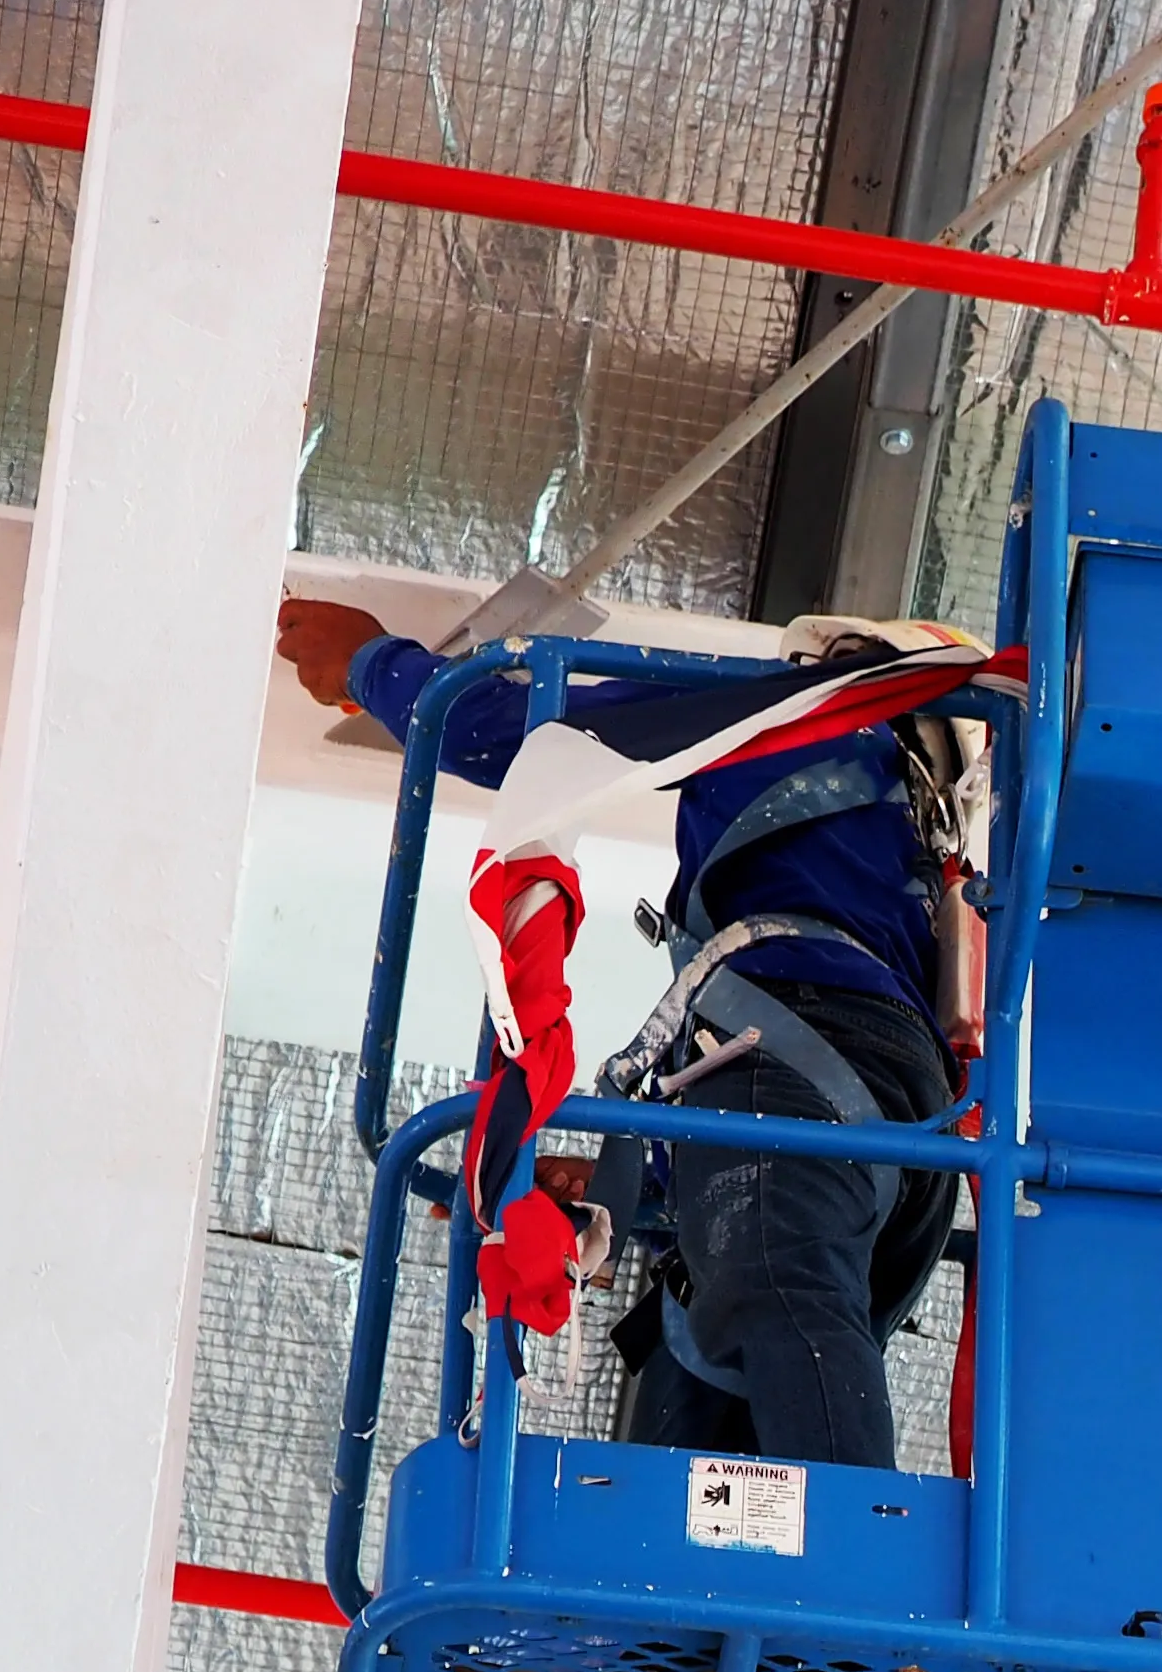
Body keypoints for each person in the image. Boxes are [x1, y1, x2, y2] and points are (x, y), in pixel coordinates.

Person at [278, 598, 975, 1471]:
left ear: (842, 665)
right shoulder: (916, 851)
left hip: (796, 1053)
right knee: (736, 1357)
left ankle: (852, 1569)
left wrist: (368, 661)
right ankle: (775, 1592)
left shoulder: (800, 721)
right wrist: (645, 1184)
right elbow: (824, 1135)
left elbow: (529, 739)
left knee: (773, 1300)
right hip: (904, 1133)